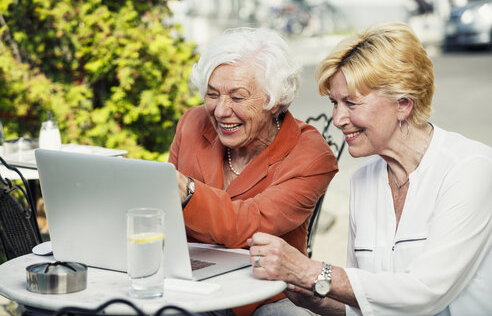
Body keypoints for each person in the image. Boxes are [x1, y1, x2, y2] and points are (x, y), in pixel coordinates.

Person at [248, 21, 492, 315]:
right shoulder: (363, 179)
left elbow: (426, 292)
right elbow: (368, 301)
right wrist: (317, 299)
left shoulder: (470, 168)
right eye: (334, 103)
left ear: (403, 104)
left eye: (351, 103)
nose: (338, 118)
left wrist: (310, 271)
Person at [168, 27, 338, 315]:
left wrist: (188, 190)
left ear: (276, 101)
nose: (220, 111)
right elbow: (163, 214)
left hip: (264, 294)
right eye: (212, 94)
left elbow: (250, 224)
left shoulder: (310, 156)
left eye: (237, 98)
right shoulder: (193, 122)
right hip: (190, 284)